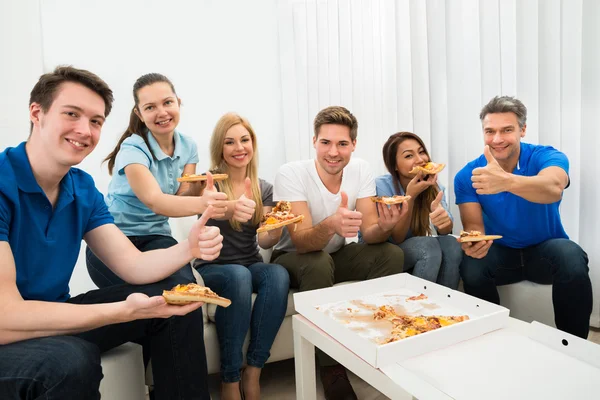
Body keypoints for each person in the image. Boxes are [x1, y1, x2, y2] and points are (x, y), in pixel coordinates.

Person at [0, 66, 224, 399]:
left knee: (177, 298)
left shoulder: (82, 189)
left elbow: (133, 265)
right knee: (72, 360)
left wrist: (188, 248)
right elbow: (7, 316)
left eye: (95, 120)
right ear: (37, 113)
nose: (84, 130)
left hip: (49, 322)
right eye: (72, 114)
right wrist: (123, 310)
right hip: (9, 332)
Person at [271, 106, 404, 400]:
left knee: (391, 254)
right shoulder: (291, 173)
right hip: (294, 258)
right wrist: (332, 223)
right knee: (317, 261)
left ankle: (377, 341)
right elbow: (303, 242)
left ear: (353, 145)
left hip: (336, 256)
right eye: (326, 143)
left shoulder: (361, 169)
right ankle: (331, 368)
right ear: (314, 142)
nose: (334, 151)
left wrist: (384, 225)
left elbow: (369, 233)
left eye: (342, 143)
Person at [455, 95, 592, 339]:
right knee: (472, 266)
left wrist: (505, 182)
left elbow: (553, 188)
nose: (497, 139)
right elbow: (474, 228)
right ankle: (491, 338)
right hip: (501, 254)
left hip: (544, 253)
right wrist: (473, 244)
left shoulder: (546, 156)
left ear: (522, 130)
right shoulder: (467, 175)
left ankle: (574, 346)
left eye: (507, 130)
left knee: (571, 254)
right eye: (490, 131)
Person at [86, 72, 228, 288]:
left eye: (167, 102)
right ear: (139, 113)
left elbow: (180, 197)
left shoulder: (188, 147)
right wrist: (205, 204)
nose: (161, 112)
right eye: (150, 107)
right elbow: (155, 201)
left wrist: (200, 192)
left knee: (184, 289)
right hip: (113, 239)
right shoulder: (132, 148)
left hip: (156, 235)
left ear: (178, 103)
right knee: (147, 299)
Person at [193, 113, 290, 400]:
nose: (239, 148)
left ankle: (254, 370)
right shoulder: (207, 185)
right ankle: (230, 378)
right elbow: (203, 219)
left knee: (277, 273)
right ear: (219, 148)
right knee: (238, 275)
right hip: (214, 266)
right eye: (230, 142)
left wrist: (276, 228)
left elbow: (264, 239)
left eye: (244, 140)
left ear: (253, 144)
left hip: (250, 262)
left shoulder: (265, 188)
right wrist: (231, 206)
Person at [371, 132, 462, 289]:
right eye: (408, 156)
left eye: (421, 152)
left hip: (410, 249)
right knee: (427, 246)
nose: (420, 160)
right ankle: (415, 306)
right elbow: (397, 238)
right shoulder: (381, 187)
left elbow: (445, 231)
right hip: (384, 253)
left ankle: (444, 307)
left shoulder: (433, 184)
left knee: (451, 243)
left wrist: (442, 221)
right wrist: (410, 197)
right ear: (394, 165)